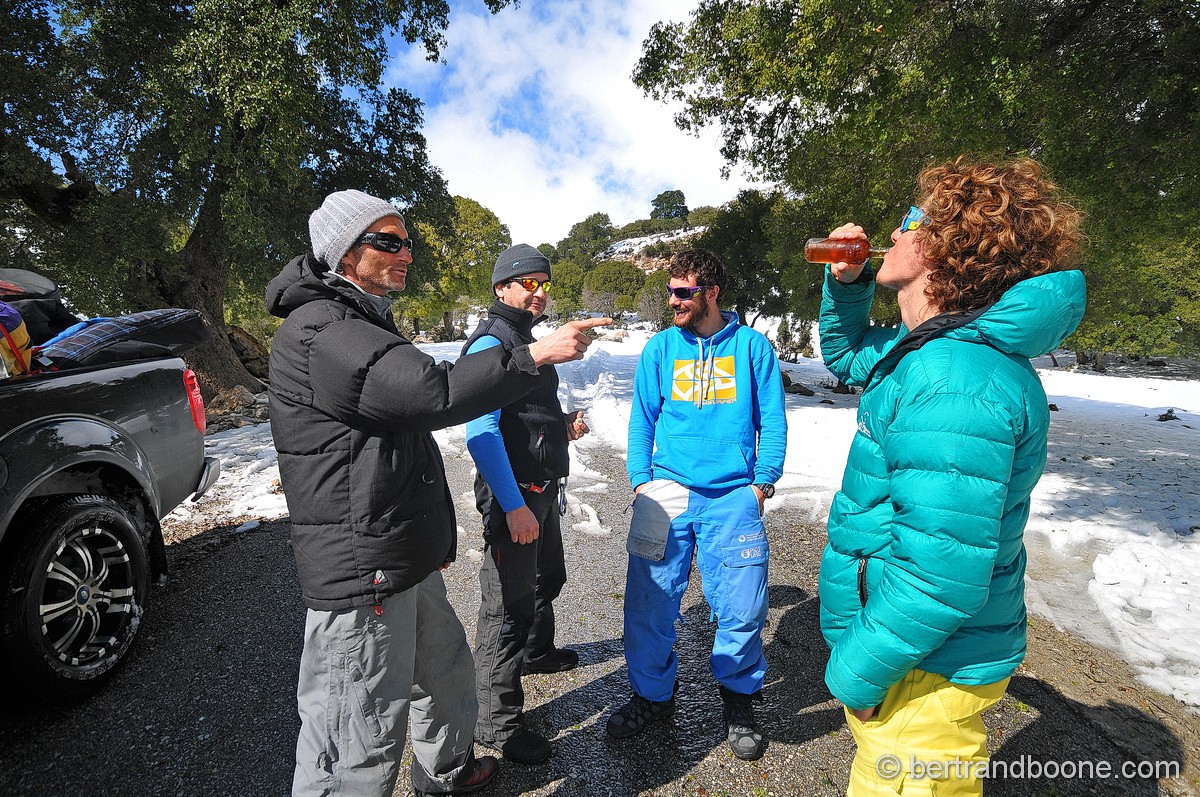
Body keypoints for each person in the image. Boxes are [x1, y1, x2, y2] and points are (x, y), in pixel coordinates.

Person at [266, 190, 610, 797]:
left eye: (407, 243)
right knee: (357, 728)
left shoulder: (361, 321)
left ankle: (449, 768)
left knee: (446, 670)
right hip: (362, 565)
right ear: (344, 251)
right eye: (388, 242)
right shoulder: (323, 328)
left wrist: (432, 539)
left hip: (401, 551)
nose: (405, 254)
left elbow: (401, 433)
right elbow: (434, 398)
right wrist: (534, 355)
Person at [816, 158, 1086, 796]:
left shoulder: (953, 379)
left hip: (923, 670)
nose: (896, 230)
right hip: (920, 660)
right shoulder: (936, 350)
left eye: (910, 221)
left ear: (940, 246)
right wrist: (848, 283)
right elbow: (849, 355)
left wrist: (854, 671)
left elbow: (941, 575)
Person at [608, 249, 787, 761]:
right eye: (671, 290)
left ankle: (739, 699)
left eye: (683, 292)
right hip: (665, 493)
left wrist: (761, 484)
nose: (673, 300)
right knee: (649, 603)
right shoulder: (661, 349)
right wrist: (641, 481)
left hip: (733, 496)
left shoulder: (753, 348)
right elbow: (643, 419)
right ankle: (653, 696)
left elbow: (771, 421)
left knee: (742, 605)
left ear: (711, 292)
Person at [463, 244, 589, 765]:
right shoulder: (491, 342)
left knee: (546, 581)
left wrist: (562, 428)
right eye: (527, 283)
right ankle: (495, 723)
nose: (538, 293)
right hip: (513, 498)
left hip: (539, 492)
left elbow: (522, 416)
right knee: (505, 611)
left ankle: (536, 655)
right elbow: (481, 432)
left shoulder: (523, 339)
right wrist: (512, 505)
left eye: (544, 283)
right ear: (502, 289)